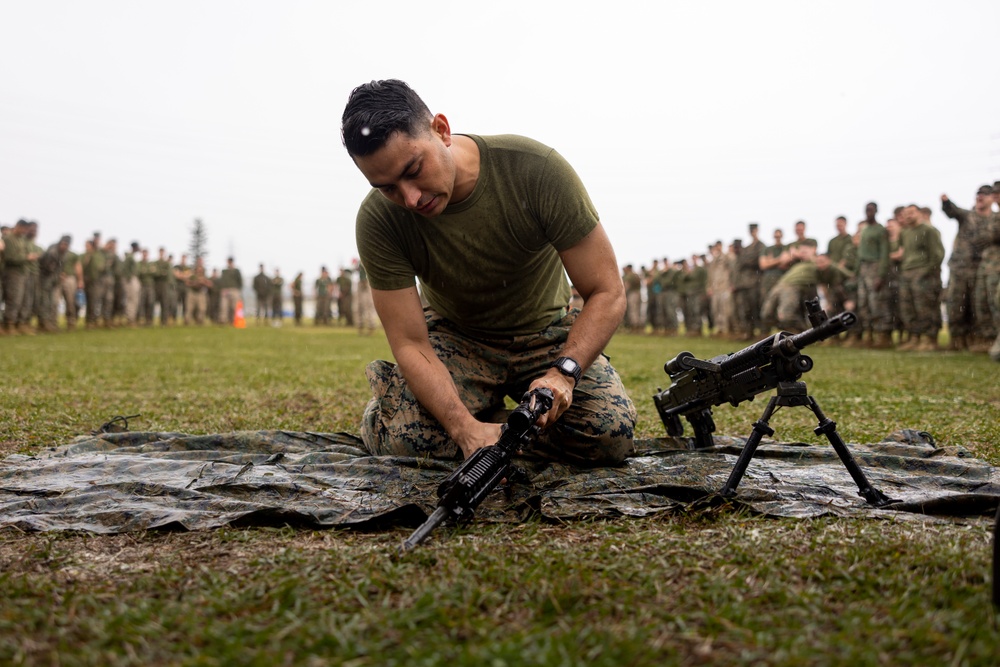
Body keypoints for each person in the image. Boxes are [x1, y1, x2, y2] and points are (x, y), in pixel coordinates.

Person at [341, 79, 636, 465]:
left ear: (441, 130)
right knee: (403, 440)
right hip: (457, 338)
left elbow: (606, 291)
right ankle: (460, 417)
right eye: (387, 187)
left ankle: (497, 422)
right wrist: (464, 428)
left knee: (609, 435)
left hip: (546, 335)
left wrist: (562, 375)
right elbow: (411, 343)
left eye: (414, 169)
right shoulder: (379, 220)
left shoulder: (535, 170)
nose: (409, 198)